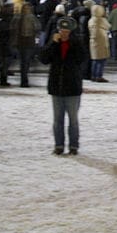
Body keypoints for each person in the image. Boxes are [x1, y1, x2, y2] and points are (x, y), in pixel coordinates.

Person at [39, 16, 86, 155]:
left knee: (73, 120)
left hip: (72, 87)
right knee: (57, 120)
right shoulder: (54, 42)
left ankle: (73, 146)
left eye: (66, 30)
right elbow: (44, 59)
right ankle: (58, 145)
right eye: (62, 30)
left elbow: (82, 58)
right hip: (57, 87)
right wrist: (52, 44)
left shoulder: (77, 42)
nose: (64, 33)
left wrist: (72, 43)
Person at [87, 2, 111, 82]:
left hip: (93, 42)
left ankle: (93, 75)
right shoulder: (101, 20)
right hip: (102, 41)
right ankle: (99, 75)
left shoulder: (91, 20)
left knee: (95, 59)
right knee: (101, 60)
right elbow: (108, 26)